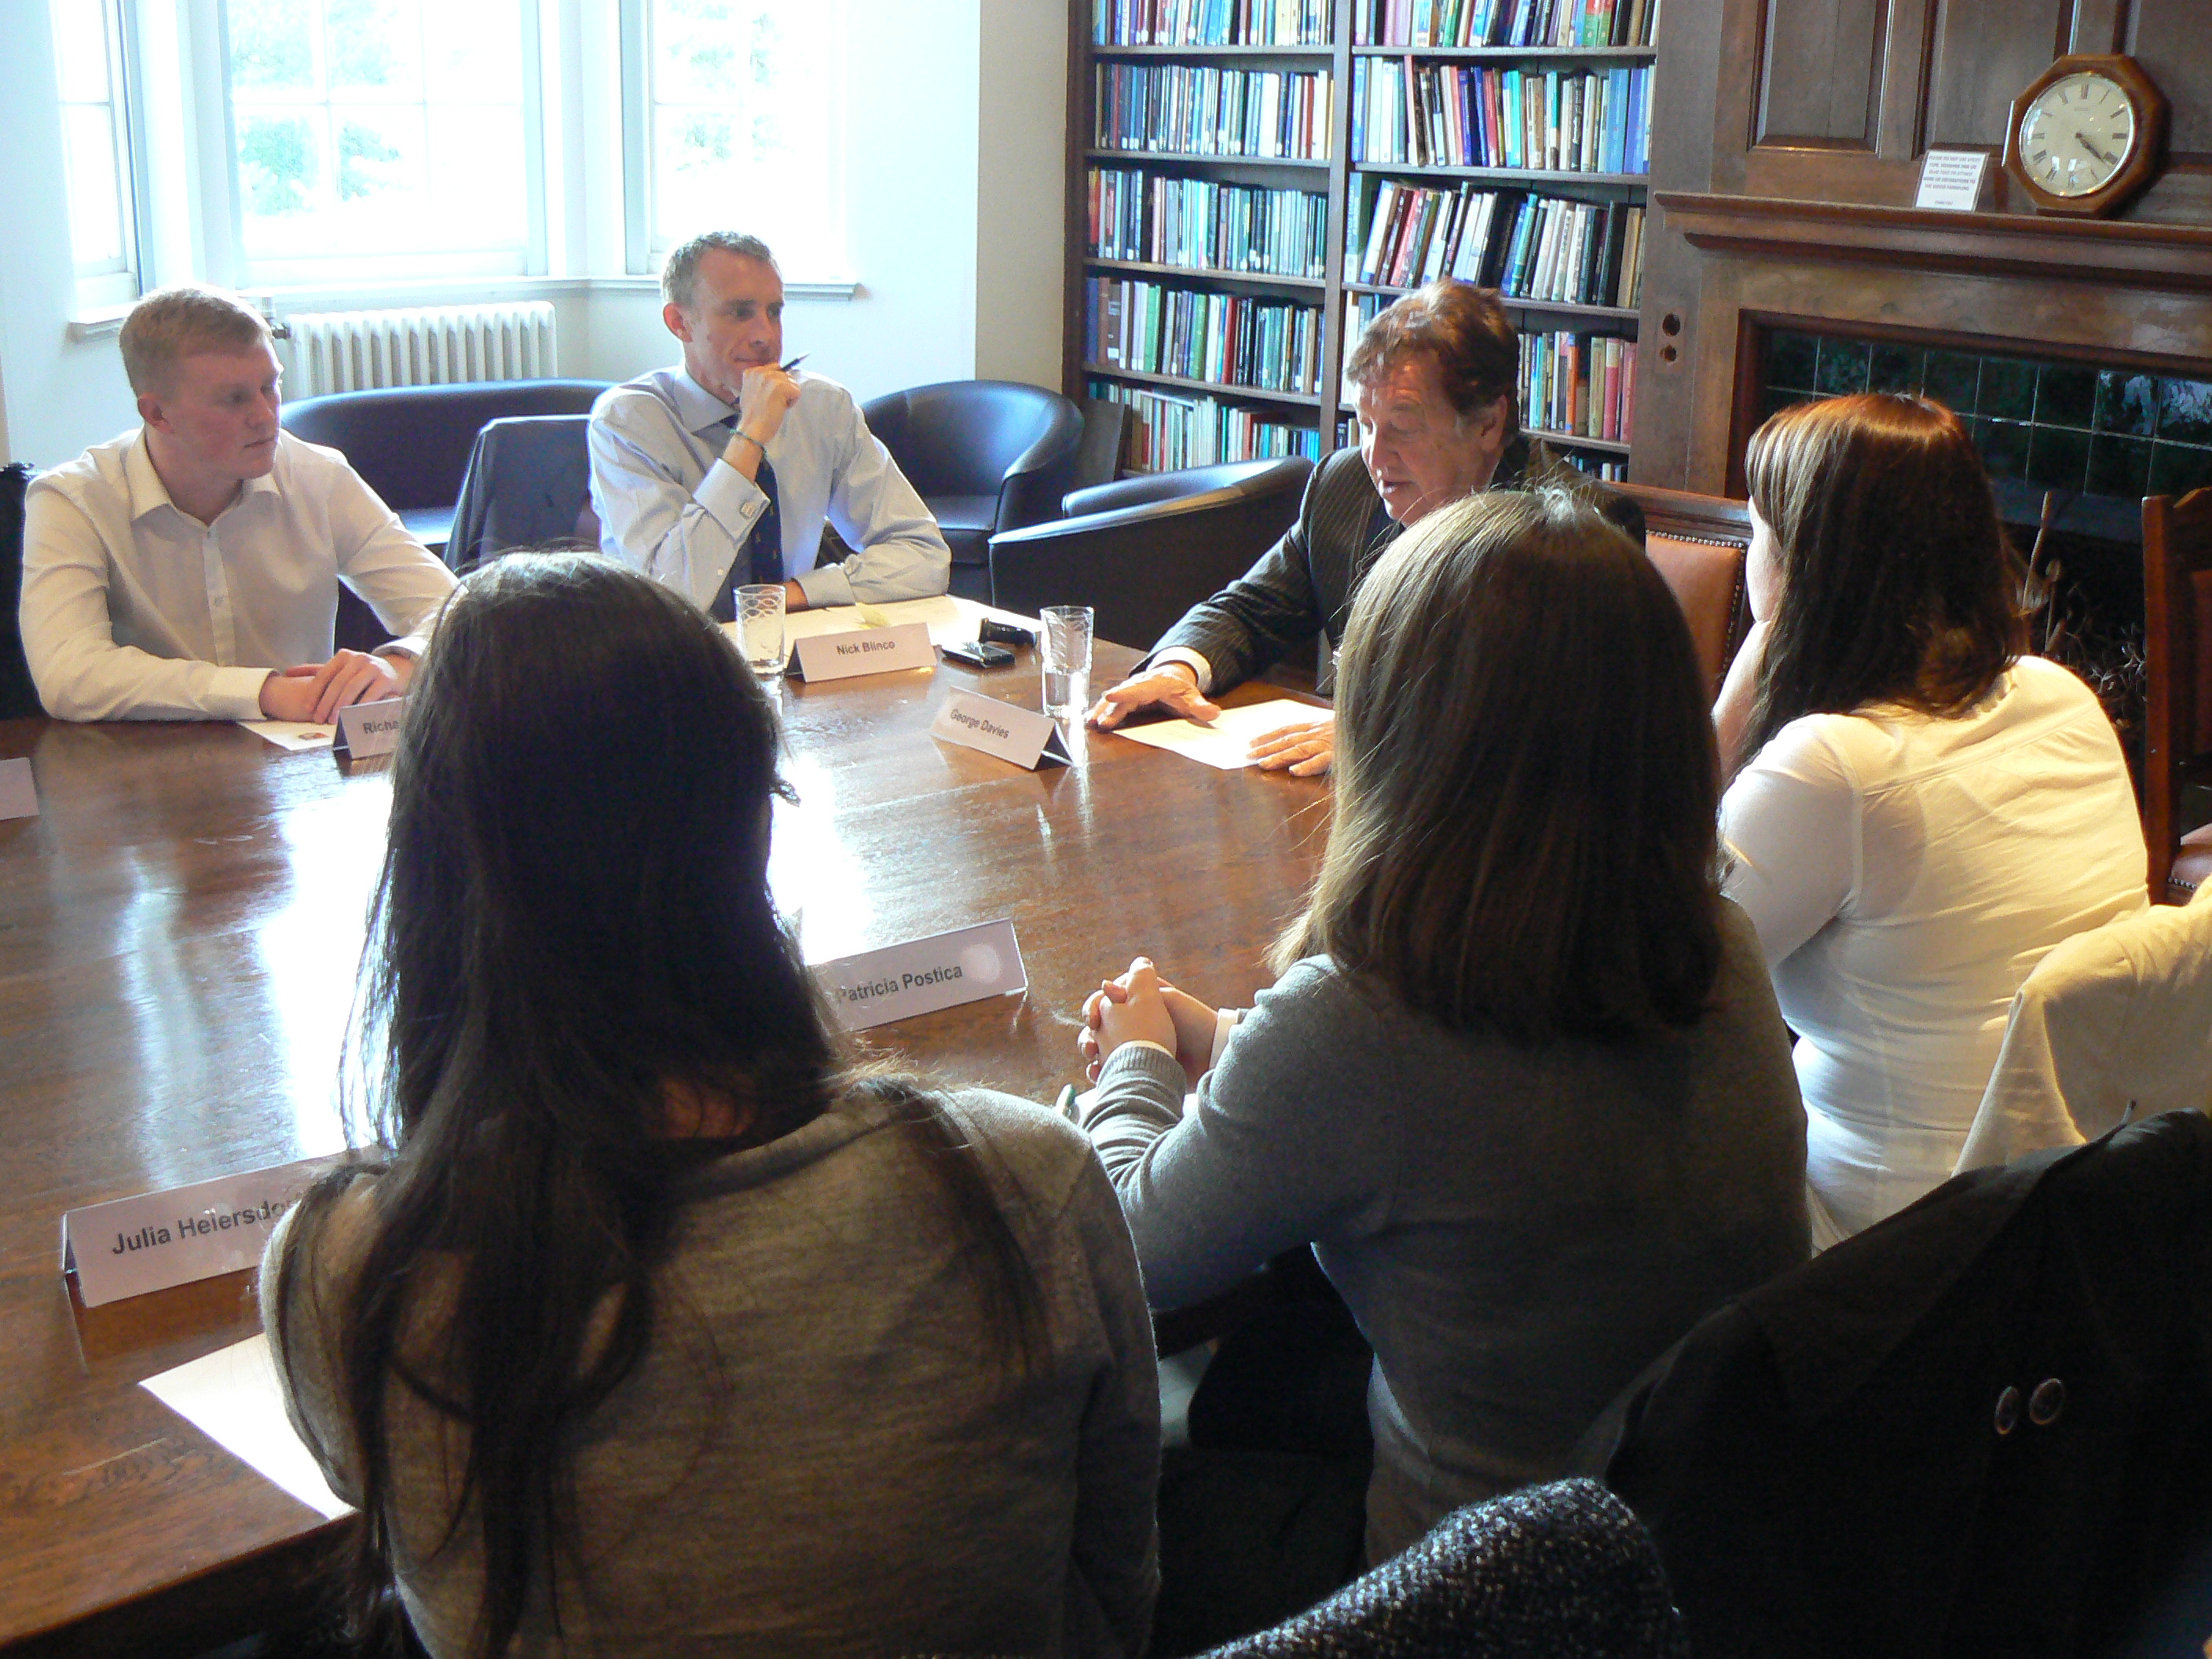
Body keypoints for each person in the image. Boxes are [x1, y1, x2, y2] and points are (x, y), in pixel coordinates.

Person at [261, 555, 1158, 1659]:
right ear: (751, 829)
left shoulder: (351, 1270)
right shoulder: (1026, 1180)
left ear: (433, 870)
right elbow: (1118, 1593)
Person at [1076, 490, 1809, 1567]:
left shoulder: (1360, 1021)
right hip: (1691, 1555)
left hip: (1460, 1589)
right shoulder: (1717, 945)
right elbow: (1464, 1115)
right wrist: (1234, 1043)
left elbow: (1123, 1257)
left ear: (1398, 731)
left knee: (1099, 1507)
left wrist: (1136, 1063)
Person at [1713, 393, 2147, 1247]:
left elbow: (1651, 970)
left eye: (1757, 527)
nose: (1748, 550)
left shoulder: (1837, 767)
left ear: (1804, 565)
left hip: (1883, 1248)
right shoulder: (2061, 696)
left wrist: (1744, 680)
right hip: (2071, 1210)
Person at [1086, 280, 1643, 775]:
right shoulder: (1344, 485)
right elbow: (1250, 610)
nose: (1376, 456)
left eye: (1402, 427)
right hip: (1336, 806)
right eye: (1366, 424)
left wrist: (1378, 739)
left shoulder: (1575, 527)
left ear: (1488, 423)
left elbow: (1547, 726)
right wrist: (1179, 667)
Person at [20, 285, 456, 723]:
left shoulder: (319, 477)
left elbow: (456, 611)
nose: (266, 416)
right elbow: (67, 675)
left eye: (270, 386)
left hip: (300, 753)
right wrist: (264, 692)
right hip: (140, 757)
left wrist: (401, 664)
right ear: (157, 414)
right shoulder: (72, 500)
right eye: (234, 399)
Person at [588, 232, 950, 617]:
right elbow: (671, 597)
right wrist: (749, 437)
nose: (765, 335)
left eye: (774, 312)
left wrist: (791, 595)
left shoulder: (822, 405)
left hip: (791, 637)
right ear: (680, 323)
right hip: (674, 648)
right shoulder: (627, 421)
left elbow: (924, 555)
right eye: (740, 313)